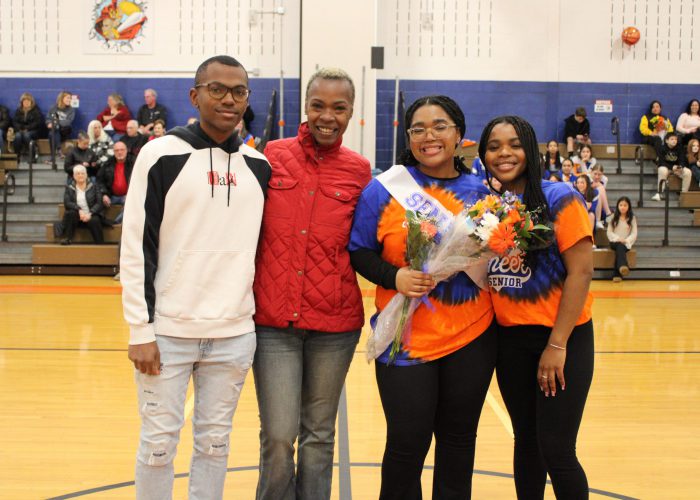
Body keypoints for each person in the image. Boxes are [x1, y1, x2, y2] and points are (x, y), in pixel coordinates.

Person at [120, 54, 271, 499]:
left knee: (214, 444)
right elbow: (135, 246)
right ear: (195, 95)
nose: (228, 99)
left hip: (234, 333)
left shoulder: (258, 165)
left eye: (238, 91)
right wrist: (139, 329)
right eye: (217, 89)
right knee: (158, 446)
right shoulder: (160, 153)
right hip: (167, 333)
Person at [349, 95, 497, 499]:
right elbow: (359, 250)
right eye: (418, 129)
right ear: (409, 137)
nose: (428, 136)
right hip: (405, 337)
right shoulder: (383, 190)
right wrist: (394, 276)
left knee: (458, 440)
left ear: (459, 135)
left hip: (472, 335)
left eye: (440, 126)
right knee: (406, 442)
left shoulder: (483, 192)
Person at [252, 68, 371, 500]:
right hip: (273, 322)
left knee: (319, 436)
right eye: (318, 105)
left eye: (338, 107)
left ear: (351, 113)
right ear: (305, 107)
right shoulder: (270, 156)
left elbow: (372, 242)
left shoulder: (360, 172)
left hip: (335, 326)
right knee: (280, 436)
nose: (327, 116)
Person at [479, 115, 594, 500]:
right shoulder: (488, 209)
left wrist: (557, 345)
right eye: (494, 147)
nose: (504, 153)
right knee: (526, 441)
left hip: (563, 338)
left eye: (513, 144)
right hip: (510, 342)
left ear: (529, 149)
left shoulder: (561, 198)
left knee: (557, 447)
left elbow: (580, 273)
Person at [60, 164, 104, 245]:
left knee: (94, 220)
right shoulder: (69, 187)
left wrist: (90, 213)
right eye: (77, 173)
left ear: (86, 175)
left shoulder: (94, 186)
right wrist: (79, 210)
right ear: (73, 176)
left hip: (92, 214)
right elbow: (67, 203)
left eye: (82, 173)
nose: (80, 175)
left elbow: (99, 203)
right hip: (77, 215)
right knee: (70, 213)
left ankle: (99, 243)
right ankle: (68, 238)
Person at [96, 141, 134, 224]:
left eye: (122, 150)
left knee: (133, 203)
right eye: (116, 150)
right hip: (111, 196)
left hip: (128, 196)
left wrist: (131, 194)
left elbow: (139, 181)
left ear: (126, 150)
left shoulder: (133, 163)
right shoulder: (108, 163)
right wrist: (104, 194)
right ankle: (102, 222)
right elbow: (99, 181)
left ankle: (116, 223)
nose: (119, 152)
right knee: (97, 200)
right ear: (113, 152)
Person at [652, 132, 691, 201]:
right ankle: (659, 193)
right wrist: (672, 167)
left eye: (675, 139)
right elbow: (661, 162)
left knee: (688, 172)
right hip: (667, 168)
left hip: (677, 169)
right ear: (667, 141)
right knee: (662, 169)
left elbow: (682, 159)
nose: (674, 141)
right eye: (672, 139)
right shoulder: (662, 148)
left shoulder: (680, 148)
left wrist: (681, 167)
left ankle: (684, 195)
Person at [607, 196, 637, 283]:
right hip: (614, 241)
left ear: (628, 207)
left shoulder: (632, 218)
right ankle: (623, 266)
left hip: (626, 243)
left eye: (625, 205)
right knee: (619, 246)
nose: (623, 207)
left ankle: (617, 275)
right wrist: (617, 238)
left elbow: (634, 233)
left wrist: (626, 240)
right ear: (618, 206)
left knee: (620, 248)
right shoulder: (612, 217)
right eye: (621, 205)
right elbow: (609, 232)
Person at [12, 92, 43, 161]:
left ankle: (33, 155)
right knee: (17, 136)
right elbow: (14, 122)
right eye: (24, 101)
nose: (26, 102)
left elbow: (38, 123)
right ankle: (17, 156)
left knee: (26, 135)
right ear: (22, 102)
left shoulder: (36, 110)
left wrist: (27, 128)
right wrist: (20, 128)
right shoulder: (18, 110)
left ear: (31, 102)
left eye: (28, 101)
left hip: (33, 131)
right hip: (20, 130)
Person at [46, 91, 75, 158]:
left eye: (70, 98)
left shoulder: (71, 110)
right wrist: (48, 123)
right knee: (51, 133)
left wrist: (55, 123)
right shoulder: (53, 108)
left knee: (55, 130)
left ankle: (54, 155)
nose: (69, 100)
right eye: (68, 98)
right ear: (61, 98)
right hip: (56, 131)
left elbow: (68, 122)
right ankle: (58, 151)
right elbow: (48, 118)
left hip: (65, 131)